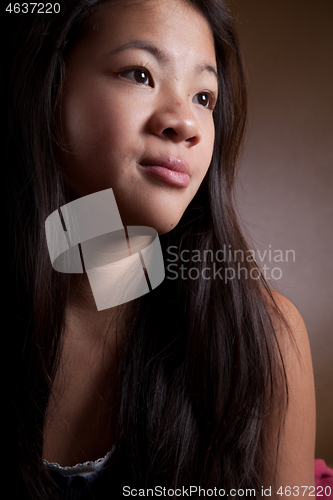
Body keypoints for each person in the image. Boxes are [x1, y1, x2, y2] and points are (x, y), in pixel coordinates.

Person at [7, 0, 316, 498]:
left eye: (204, 97)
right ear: (50, 87)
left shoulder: (266, 341)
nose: (185, 123)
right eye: (140, 74)